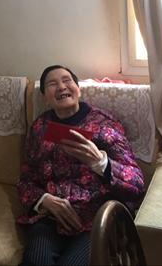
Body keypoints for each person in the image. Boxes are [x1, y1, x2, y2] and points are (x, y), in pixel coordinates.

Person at [17, 65, 145, 266]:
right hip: (51, 218)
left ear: (78, 89)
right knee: (35, 260)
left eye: (67, 80)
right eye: (52, 84)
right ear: (45, 97)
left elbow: (137, 184)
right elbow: (26, 179)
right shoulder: (40, 127)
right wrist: (44, 200)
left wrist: (100, 162)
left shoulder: (104, 124)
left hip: (96, 220)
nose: (61, 87)